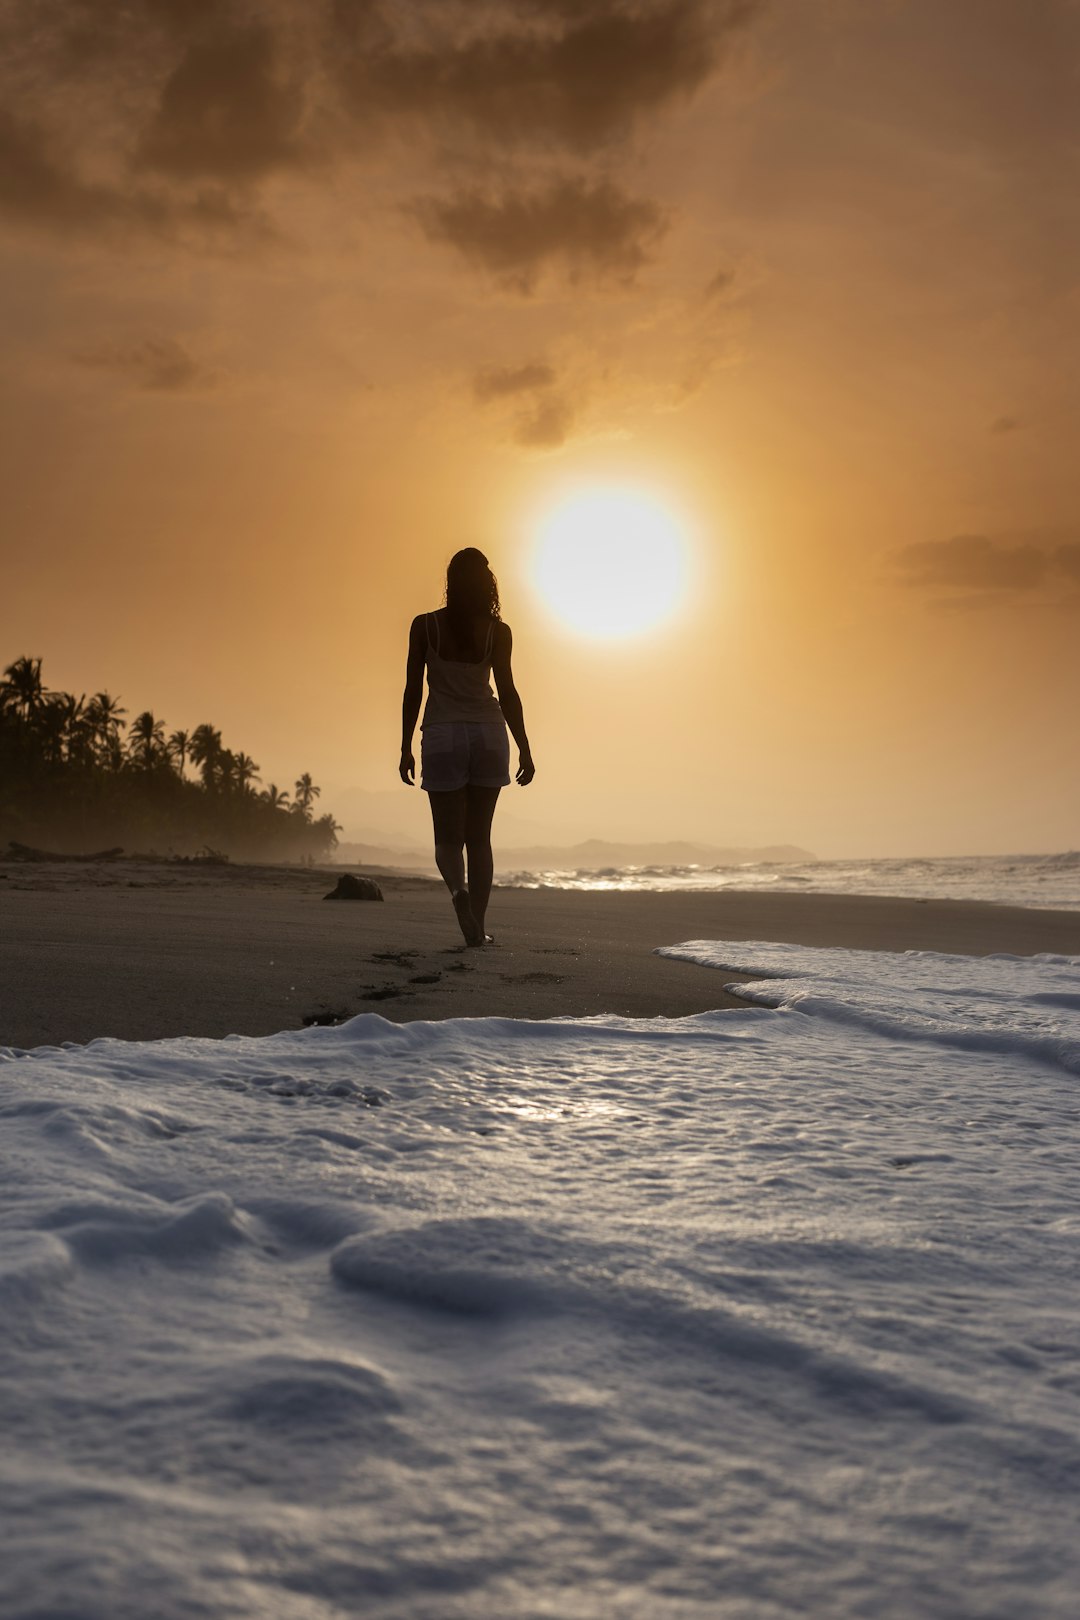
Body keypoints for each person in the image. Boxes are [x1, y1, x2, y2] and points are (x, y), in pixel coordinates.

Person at [400, 548, 534, 945]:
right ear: (487, 584)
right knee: (479, 839)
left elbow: (413, 690)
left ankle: (459, 895)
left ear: (451, 582)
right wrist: (524, 747)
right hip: (489, 735)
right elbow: (507, 693)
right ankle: (477, 924)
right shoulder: (498, 631)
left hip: (442, 735)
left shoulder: (425, 627)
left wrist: (405, 744)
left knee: (447, 840)